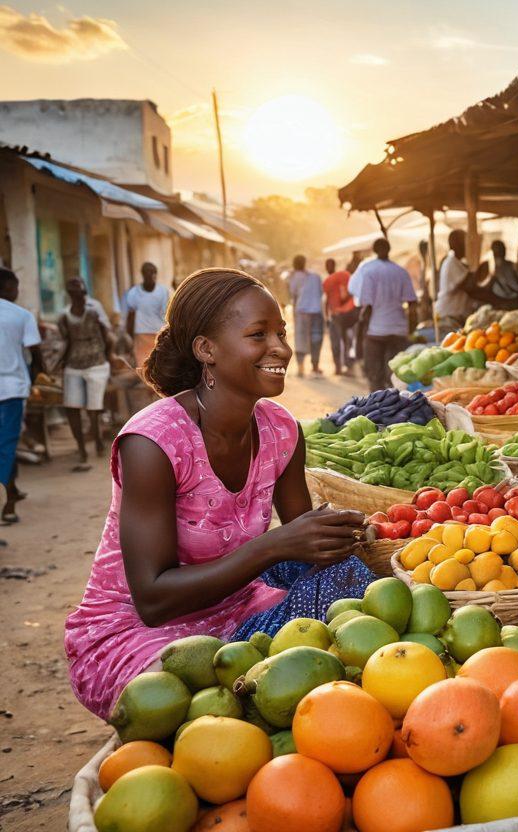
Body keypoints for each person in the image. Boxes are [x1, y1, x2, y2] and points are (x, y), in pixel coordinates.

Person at [64, 268, 370, 718]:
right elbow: (152, 600)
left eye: (281, 332)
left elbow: (304, 546)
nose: (281, 348)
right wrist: (274, 545)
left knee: (354, 580)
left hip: (238, 606)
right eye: (258, 334)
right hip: (141, 632)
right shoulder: (153, 443)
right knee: (202, 708)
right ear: (206, 349)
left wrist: (342, 533)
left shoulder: (281, 429)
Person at [58, 278, 116, 469]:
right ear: (70, 295)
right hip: (74, 364)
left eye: (80, 293)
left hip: (96, 364)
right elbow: (65, 342)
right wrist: (60, 362)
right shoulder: (64, 316)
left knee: (93, 407)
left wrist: (108, 357)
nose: (78, 297)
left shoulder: (93, 312)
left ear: (84, 294)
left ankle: (97, 437)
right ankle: (82, 447)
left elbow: (108, 337)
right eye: (73, 294)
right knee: (72, 407)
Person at [0, 268, 42, 526]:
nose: (17, 292)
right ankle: (7, 507)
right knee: (6, 448)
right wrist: (41, 377)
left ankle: (11, 490)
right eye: (15, 287)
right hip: (12, 390)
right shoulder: (21, 315)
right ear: (6, 287)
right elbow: (35, 353)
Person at [352, 238, 416, 391]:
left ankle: (377, 408)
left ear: (374, 250)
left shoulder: (369, 272)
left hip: (376, 331)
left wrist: (362, 332)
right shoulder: (401, 272)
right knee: (395, 377)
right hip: (398, 330)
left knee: (375, 377)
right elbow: (413, 304)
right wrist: (410, 331)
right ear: (389, 249)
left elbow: (367, 306)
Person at [123, 262, 170, 369]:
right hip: (141, 335)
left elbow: (167, 313)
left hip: (158, 334)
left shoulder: (163, 291)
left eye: (154, 273)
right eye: (148, 272)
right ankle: (145, 385)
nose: (151, 275)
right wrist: (129, 336)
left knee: (159, 366)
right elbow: (131, 316)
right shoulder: (134, 293)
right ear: (143, 274)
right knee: (143, 366)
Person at [288, 255, 324, 377]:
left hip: (301, 312)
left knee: (300, 339)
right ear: (304, 263)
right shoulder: (316, 276)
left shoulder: (293, 277)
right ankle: (315, 366)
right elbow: (320, 293)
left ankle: (301, 368)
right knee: (316, 339)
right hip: (316, 311)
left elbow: (293, 295)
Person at [322, 257, 358, 375]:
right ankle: (349, 367)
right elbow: (351, 293)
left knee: (336, 342)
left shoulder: (327, 281)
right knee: (349, 341)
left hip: (336, 315)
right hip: (348, 314)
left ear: (327, 267)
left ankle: (338, 367)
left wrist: (327, 316)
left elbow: (327, 301)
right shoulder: (345, 275)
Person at [436, 230, 474, 335]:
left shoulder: (458, 263)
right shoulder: (451, 263)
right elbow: (470, 287)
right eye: (464, 243)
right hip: (448, 317)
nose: (467, 246)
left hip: (454, 317)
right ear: (455, 245)